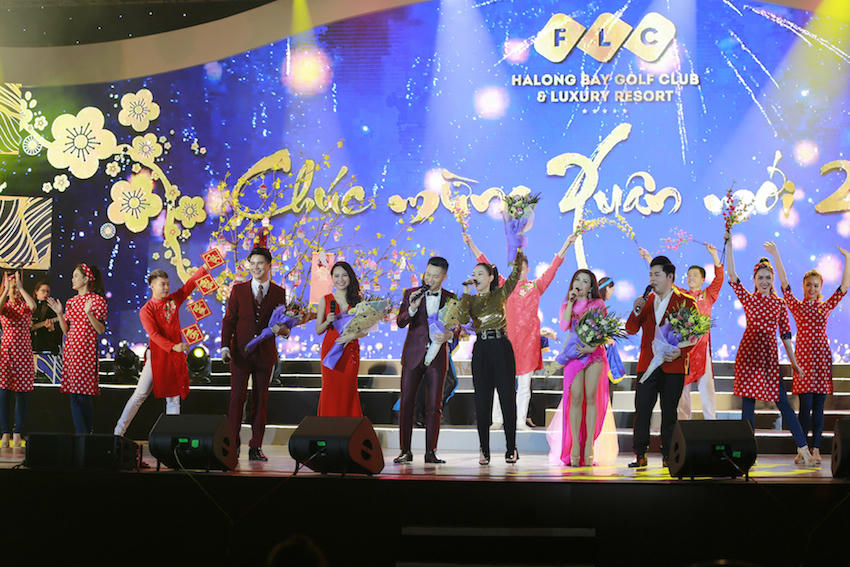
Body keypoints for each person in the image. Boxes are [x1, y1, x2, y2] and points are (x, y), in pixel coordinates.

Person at [463, 232, 576, 430]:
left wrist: (567, 244)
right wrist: (471, 243)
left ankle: (520, 421)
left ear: (527, 269)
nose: (519, 271)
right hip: (507, 342)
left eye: (522, 268)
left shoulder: (536, 286)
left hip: (528, 344)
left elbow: (553, 267)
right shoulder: (505, 285)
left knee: (524, 385)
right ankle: (498, 419)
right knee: (501, 383)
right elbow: (485, 264)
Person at [724, 230, 813, 465]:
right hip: (749, 354)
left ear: (772, 280)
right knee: (748, 405)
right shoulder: (749, 299)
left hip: (769, 357)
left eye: (768, 278)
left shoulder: (779, 304)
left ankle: (803, 448)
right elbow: (731, 274)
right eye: (760, 277)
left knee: (783, 402)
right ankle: (747, 453)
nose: (764, 281)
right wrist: (729, 243)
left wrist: (794, 362)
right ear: (754, 280)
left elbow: (786, 336)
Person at [765, 242, 850, 465]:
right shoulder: (797, 306)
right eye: (808, 285)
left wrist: (848, 259)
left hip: (821, 360)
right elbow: (784, 285)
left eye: (816, 285)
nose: (812, 289)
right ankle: (802, 450)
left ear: (820, 287)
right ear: (803, 286)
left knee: (819, 408)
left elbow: (843, 287)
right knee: (805, 408)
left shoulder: (825, 306)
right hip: (803, 360)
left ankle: (816, 449)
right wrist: (776, 254)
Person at [113, 266, 209, 437]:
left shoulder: (173, 300)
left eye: (167, 284)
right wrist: (173, 346)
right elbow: (154, 335)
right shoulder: (146, 310)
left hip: (173, 357)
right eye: (162, 284)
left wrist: (204, 268)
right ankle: (118, 432)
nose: (166, 287)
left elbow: (189, 285)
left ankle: (172, 437)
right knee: (140, 395)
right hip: (157, 357)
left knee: (173, 398)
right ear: (152, 286)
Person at [626, 255, 698, 468]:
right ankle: (640, 453)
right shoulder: (646, 301)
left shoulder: (686, 301)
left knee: (669, 412)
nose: (652, 279)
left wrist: (680, 352)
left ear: (670, 277)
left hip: (673, 365)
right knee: (642, 409)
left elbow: (694, 335)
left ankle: (668, 454)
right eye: (650, 274)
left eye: (657, 274)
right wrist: (636, 310)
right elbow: (630, 328)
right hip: (647, 365)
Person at [456, 249, 525, 465]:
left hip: (501, 347)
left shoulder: (500, 294)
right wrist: (465, 292)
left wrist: (518, 250)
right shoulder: (470, 300)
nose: (475, 277)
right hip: (481, 350)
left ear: (491, 277)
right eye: (473, 274)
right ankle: (484, 450)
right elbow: (461, 318)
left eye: (480, 274)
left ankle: (511, 448)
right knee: (482, 401)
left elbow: (515, 275)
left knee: (507, 399)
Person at [640, 243, 724, 420]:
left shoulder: (708, 295)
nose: (691, 277)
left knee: (707, 388)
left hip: (702, 350)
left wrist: (714, 255)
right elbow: (666, 282)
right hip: (683, 350)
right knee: (682, 391)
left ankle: (712, 423)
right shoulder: (681, 295)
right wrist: (649, 259)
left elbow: (719, 279)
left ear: (703, 279)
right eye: (689, 275)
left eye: (695, 275)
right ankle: (683, 425)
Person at [221, 246, 289, 462]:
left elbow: (283, 325)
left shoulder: (279, 292)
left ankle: (256, 446)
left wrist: (284, 330)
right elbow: (229, 320)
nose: (256, 267)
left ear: (269, 265)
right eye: (252, 263)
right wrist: (225, 347)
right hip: (240, 353)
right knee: (236, 399)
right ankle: (231, 445)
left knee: (260, 401)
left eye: (260, 263)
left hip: (265, 354)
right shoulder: (238, 290)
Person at [394, 256, 456, 465]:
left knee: (434, 406)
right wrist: (412, 308)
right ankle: (405, 450)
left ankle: (431, 452)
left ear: (444, 276)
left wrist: (449, 335)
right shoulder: (411, 294)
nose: (429, 279)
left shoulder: (450, 298)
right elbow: (401, 322)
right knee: (407, 402)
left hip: (437, 358)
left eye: (435, 276)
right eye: (427, 274)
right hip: (413, 355)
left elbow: (457, 327)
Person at [551, 269, 611, 466]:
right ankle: (575, 446)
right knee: (575, 399)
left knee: (591, 398)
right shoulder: (567, 303)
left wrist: (591, 347)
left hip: (594, 354)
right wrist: (570, 302)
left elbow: (603, 330)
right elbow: (564, 326)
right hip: (574, 355)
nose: (580, 283)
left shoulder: (598, 304)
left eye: (585, 281)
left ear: (591, 286)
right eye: (578, 279)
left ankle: (589, 445)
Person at [48, 263, 107, 435]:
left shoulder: (97, 301)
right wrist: (59, 314)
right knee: (73, 395)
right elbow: (66, 330)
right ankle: (82, 435)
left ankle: (86, 434)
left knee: (84, 395)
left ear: (86, 279)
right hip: (71, 351)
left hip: (86, 352)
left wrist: (89, 314)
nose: (72, 279)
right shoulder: (71, 302)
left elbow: (100, 330)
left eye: (76, 276)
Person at [315, 261, 366, 418]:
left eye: (344, 275)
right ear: (332, 278)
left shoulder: (358, 301)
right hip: (331, 350)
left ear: (350, 277)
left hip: (349, 350)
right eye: (336, 276)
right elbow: (318, 330)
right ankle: (328, 427)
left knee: (348, 390)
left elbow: (365, 330)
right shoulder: (325, 300)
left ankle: (348, 428)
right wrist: (327, 321)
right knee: (330, 389)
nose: (340, 279)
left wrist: (352, 336)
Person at [0, 273, 36, 448]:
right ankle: (5, 432)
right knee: (4, 394)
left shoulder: (25, 306)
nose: (15, 291)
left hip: (23, 354)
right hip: (6, 354)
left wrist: (21, 288)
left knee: (22, 395)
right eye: (12, 288)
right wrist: (6, 289)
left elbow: (33, 305)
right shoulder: (5, 307)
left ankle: (17, 432)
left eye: (16, 288)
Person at [597, 277, 626, 385]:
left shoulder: (598, 303)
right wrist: (605, 339)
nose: (612, 293)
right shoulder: (599, 304)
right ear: (607, 288)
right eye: (612, 290)